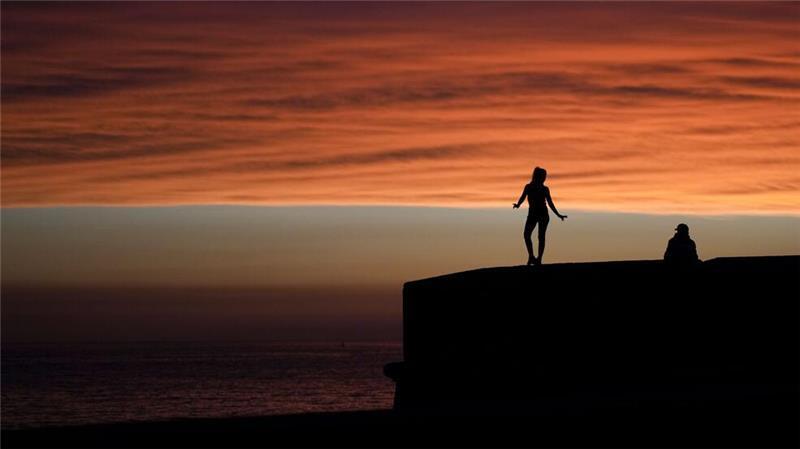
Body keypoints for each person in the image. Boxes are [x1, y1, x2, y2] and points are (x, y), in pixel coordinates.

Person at [513, 167, 567, 265]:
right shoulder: (528, 187)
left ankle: (539, 259)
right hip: (532, 214)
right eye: (543, 176)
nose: (544, 178)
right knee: (526, 234)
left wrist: (558, 214)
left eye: (544, 176)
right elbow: (523, 197)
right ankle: (531, 256)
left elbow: (550, 203)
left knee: (541, 236)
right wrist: (518, 204)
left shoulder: (545, 189)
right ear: (537, 176)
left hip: (543, 214)